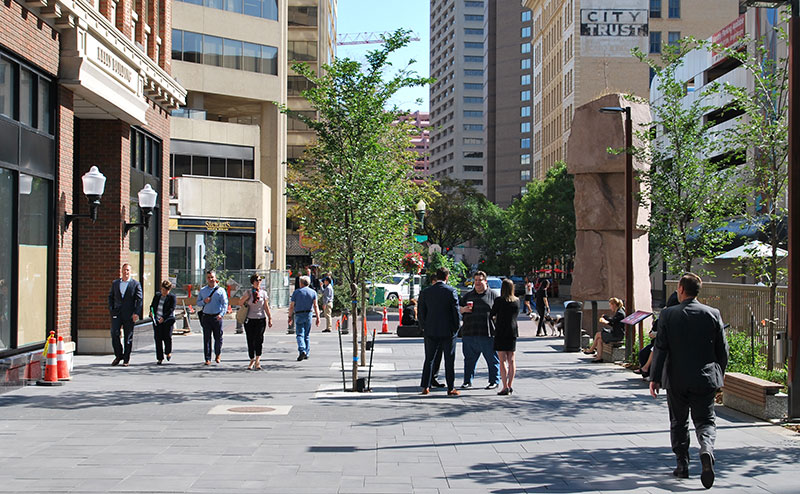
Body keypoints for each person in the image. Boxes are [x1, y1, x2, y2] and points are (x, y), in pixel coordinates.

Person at [650, 273, 728, 489]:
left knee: (679, 421)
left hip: (676, 378)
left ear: (681, 289)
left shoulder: (668, 314)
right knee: (705, 420)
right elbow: (723, 350)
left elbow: (660, 348)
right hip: (704, 378)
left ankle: (682, 464)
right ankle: (706, 449)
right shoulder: (713, 313)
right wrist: (719, 374)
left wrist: (655, 378)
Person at [418, 267, 461, 396]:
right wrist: (456, 327)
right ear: (447, 277)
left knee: (429, 359)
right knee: (449, 359)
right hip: (448, 331)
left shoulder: (426, 292)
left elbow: (421, 312)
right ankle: (450, 388)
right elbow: (455, 311)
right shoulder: (451, 291)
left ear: (436, 277)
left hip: (431, 330)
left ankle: (425, 386)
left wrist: (424, 327)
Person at [459, 271, 500, 390]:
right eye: (476, 280)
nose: (477, 283)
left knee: (492, 359)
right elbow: (458, 308)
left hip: (487, 333)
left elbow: (500, 312)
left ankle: (494, 381)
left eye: (480, 280)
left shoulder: (493, 295)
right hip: (469, 333)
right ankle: (467, 381)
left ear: (485, 281)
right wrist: (463, 309)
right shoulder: (468, 295)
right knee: (469, 360)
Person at [637, 291, 679, 378]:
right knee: (644, 352)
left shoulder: (670, 314)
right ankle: (647, 370)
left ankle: (647, 369)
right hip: (660, 340)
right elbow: (652, 332)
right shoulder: (666, 315)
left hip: (667, 343)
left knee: (655, 349)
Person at [108, 263, 143, 366]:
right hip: (117, 313)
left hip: (129, 314)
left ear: (130, 272)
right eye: (124, 270)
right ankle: (118, 355)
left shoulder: (135, 284)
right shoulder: (115, 283)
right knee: (114, 333)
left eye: (127, 270)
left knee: (128, 336)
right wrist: (111, 309)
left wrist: (136, 313)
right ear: (121, 271)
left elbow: (139, 299)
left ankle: (126, 358)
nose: (126, 272)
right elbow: (111, 296)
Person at [491, 278, 520, 396]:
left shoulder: (499, 300)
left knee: (502, 359)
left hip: (501, 331)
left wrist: (495, 319)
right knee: (511, 359)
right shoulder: (517, 301)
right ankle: (510, 384)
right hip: (512, 331)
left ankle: (504, 386)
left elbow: (492, 314)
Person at [239, 274, 273, 370]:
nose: (258, 282)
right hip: (249, 319)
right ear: (253, 282)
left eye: (260, 280)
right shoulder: (248, 292)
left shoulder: (263, 293)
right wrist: (246, 297)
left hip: (260, 319)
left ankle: (258, 360)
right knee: (250, 340)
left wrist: (270, 318)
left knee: (259, 339)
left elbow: (266, 306)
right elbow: (240, 303)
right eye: (257, 280)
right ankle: (251, 359)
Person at [197, 270, 228, 365]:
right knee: (206, 338)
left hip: (217, 317)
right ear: (206, 279)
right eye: (209, 277)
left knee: (218, 337)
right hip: (206, 317)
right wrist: (204, 301)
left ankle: (217, 354)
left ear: (215, 278)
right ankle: (207, 358)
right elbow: (198, 302)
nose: (210, 279)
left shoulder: (221, 290)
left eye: (212, 277)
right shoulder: (203, 291)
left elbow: (225, 304)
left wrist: (221, 314)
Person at [583, 297, 626, 362]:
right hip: (615, 333)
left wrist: (605, 317)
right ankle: (598, 357)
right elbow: (615, 324)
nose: (610, 307)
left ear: (614, 304)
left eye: (610, 305)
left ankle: (591, 350)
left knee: (598, 334)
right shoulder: (619, 311)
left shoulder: (620, 313)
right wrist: (606, 322)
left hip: (617, 335)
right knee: (599, 340)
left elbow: (613, 320)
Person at [289, 275, 320, 361]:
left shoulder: (296, 292)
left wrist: (289, 316)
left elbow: (292, 306)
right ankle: (307, 352)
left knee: (299, 334)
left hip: (299, 314)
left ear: (301, 283)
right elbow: (315, 305)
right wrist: (318, 317)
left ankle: (302, 349)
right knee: (306, 335)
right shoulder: (313, 292)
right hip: (309, 314)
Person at [150, 280, 176, 365]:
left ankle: (168, 352)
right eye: (163, 290)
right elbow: (152, 306)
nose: (164, 292)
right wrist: (151, 312)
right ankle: (159, 358)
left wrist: (164, 318)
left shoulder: (172, 297)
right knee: (158, 339)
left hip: (167, 320)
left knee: (167, 337)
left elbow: (171, 309)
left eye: (166, 291)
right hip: (157, 320)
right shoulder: (157, 296)